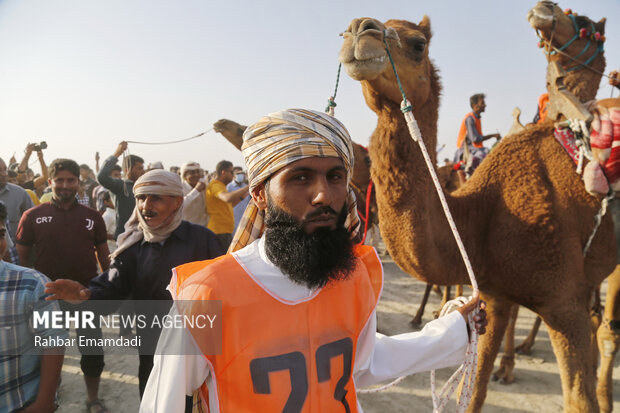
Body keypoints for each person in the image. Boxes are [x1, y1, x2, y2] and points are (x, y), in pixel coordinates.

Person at [140, 109, 487, 412]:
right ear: (259, 194)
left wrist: (456, 329)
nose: (324, 195)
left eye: (335, 177)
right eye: (300, 177)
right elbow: (163, 402)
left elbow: (363, 362)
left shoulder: (353, 275)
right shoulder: (205, 295)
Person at [44, 170, 223, 401]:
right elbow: (110, 290)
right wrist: (85, 296)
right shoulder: (133, 246)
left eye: (156, 197)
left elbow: (224, 292)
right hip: (153, 351)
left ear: (177, 201)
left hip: (200, 349)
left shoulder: (203, 240)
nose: (146, 205)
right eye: (141, 198)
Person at [15, 158, 111, 413]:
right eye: (60, 180)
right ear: (50, 183)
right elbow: (23, 262)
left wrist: (105, 291)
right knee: (47, 353)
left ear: (79, 183)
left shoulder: (92, 217)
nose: (65, 185)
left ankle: (93, 398)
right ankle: (49, 399)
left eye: (71, 180)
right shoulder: (32, 216)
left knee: (92, 353)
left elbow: (104, 260)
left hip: (84, 297)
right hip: (46, 299)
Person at [0, 201, 67, 413]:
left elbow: (54, 339)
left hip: (20, 402)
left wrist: (44, 403)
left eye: (0, 234)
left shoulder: (32, 284)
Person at [97, 141, 145, 239]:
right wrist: (117, 153)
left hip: (143, 236)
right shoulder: (121, 186)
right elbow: (101, 177)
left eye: (142, 168)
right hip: (126, 237)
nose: (143, 171)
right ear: (127, 169)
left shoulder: (143, 188)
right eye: (139, 168)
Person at [205, 160, 249, 251]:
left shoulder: (221, 186)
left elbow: (229, 204)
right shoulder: (215, 185)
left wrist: (241, 198)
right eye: (231, 172)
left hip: (225, 232)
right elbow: (227, 198)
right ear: (223, 172)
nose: (233, 175)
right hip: (219, 232)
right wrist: (248, 186)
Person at [454, 93, 501, 177]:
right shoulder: (470, 118)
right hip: (467, 150)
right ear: (475, 105)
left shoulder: (476, 118)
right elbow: (474, 139)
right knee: (484, 155)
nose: (485, 105)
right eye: (482, 103)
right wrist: (493, 135)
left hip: (475, 149)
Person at [0, 157, 34, 262]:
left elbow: (33, 223)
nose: (4, 174)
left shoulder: (20, 193)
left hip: (16, 260)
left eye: (5, 169)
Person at [180, 161, 208, 227]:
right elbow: (180, 206)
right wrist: (196, 191)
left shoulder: (203, 187)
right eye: (192, 172)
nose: (196, 175)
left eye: (197, 172)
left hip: (201, 228)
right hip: (184, 229)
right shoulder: (179, 188)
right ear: (184, 175)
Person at [226, 165, 250, 232]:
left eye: (241, 173)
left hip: (244, 217)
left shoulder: (245, 186)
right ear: (233, 175)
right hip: (233, 218)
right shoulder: (229, 187)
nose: (240, 175)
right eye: (238, 174)